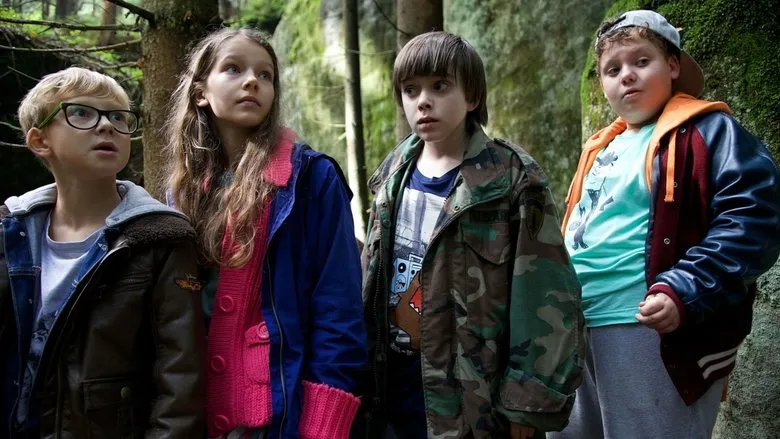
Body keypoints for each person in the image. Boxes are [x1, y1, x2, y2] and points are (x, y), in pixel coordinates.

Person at [550, 10, 780, 439]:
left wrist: (686, 288)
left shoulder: (708, 130)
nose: (627, 75)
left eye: (642, 61)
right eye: (612, 70)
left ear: (673, 65)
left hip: (647, 325)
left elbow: (754, 217)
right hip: (574, 328)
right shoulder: (601, 146)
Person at [358, 31, 585, 439]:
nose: (423, 101)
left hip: (476, 401)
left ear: (473, 96)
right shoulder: (393, 175)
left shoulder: (510, 178)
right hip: (394, 389)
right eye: (411, 90)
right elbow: (370, 281)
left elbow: (546, 294)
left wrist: (527, 402)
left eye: (440, 86)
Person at [164, 27, 366, 439]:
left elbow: (338, 309)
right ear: (201, 92)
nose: (252, 81)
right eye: (233, 69)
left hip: (281, 416)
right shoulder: (182, 190)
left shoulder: (312, 179)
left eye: (265, 75)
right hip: (194, 414)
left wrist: (323, 426)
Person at [0, 67, 206, 438]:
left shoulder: (160, 238)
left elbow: (180, 379)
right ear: (39, 140)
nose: (107, 126)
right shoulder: (9, 234)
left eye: (118, 117)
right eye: (81, 113)